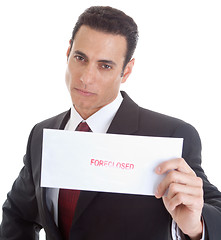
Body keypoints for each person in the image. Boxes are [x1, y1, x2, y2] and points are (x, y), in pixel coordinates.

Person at [0, 6, 221, 240]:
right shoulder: (42, 134)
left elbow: (214, 211)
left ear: (126, 71)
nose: (86, 78)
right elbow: (18, 215)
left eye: (105, 66)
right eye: (80, 58)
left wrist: (196, 227)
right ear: (68, 52)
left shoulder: (170, 135)